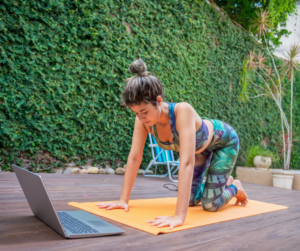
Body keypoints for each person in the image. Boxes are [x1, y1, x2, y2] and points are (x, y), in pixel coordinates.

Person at [96, 58, 248, 230]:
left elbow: (187, 163)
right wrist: (123, 200)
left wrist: (178, 216)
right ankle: (221, 183)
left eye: (144, 111)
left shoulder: (183, 111)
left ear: (159, 101)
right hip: (199, 150)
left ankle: (235, 187)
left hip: (224, 142)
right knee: (190, 201)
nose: (140, 117)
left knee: (210, 204)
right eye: (136, 113)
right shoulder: (143, 120)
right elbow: (134, 157)